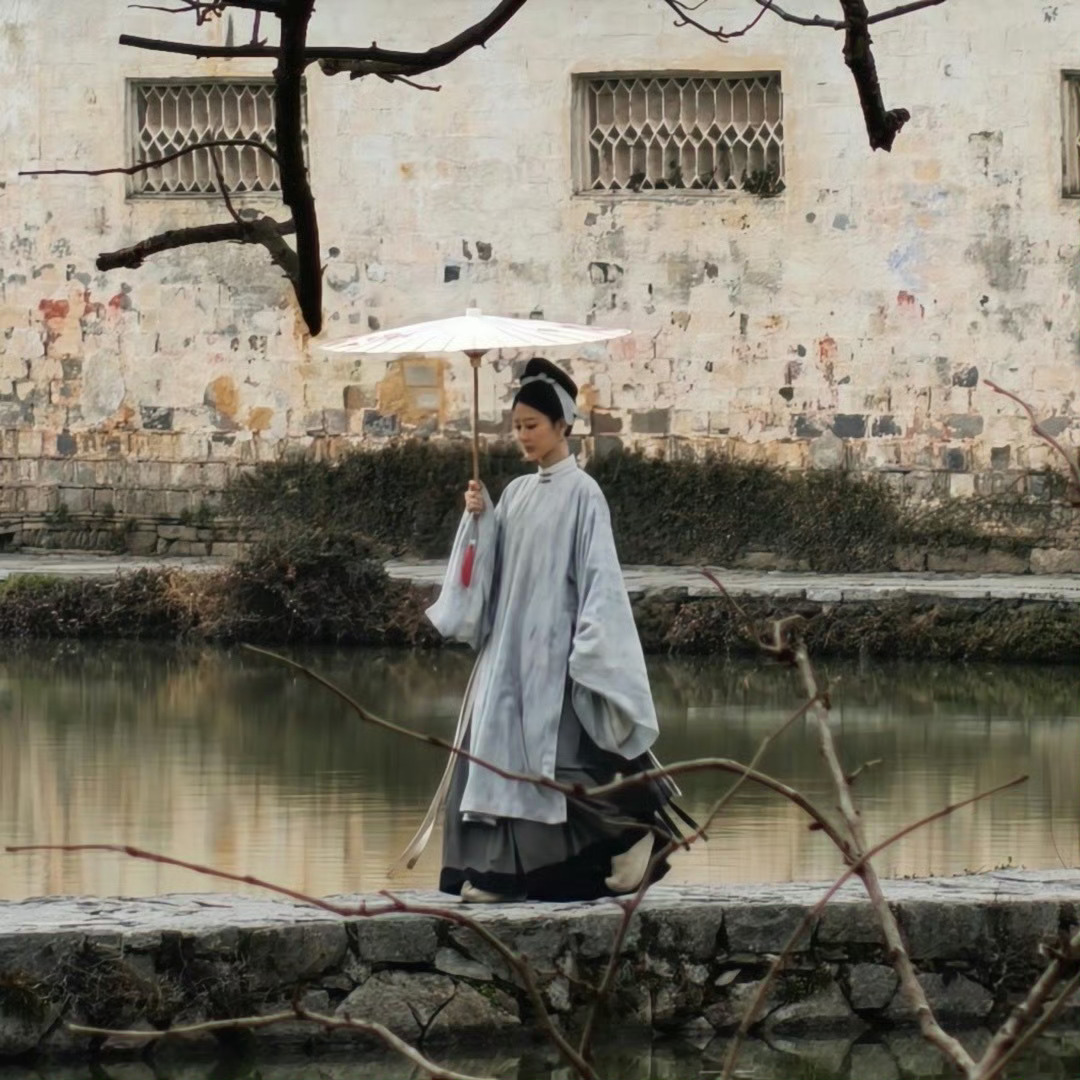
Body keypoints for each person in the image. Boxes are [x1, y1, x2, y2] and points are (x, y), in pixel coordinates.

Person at [391, 357, 692, 902]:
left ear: (563, 426)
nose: (523, 436)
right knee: (497, 759)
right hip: (509, 655)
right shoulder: (518, 494)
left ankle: (642, 834)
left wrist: (592, 651)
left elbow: (600, 579)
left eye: (532, 425)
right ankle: (502, 876)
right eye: (517, 427)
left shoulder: (585, 495)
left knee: (564, 763)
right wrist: (477, 520)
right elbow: (486, 577)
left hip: (558, 657)